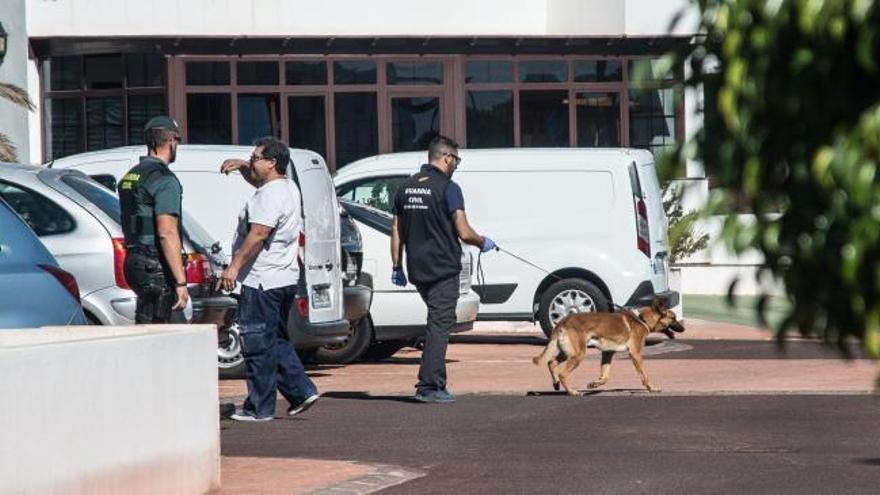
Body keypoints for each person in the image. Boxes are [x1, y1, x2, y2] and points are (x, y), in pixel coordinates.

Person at [218, 137, 319, 422]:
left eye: (255, 158)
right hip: (283, 277)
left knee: (257, 342)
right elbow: (260, 183)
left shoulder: (270, 195)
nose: (252, 162)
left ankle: (259, 407)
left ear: (272, 163)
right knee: (275, 339)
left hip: (263, 279)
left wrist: (234, 266)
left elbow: (259, 233)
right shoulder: (286, 187)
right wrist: (242, 167)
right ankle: (301, 391)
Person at [390, 135, 496, 403]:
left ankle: (433, 383)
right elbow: (463, 230)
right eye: (456, 159)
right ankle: (429, 387)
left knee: (436, 321)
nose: (457, 164)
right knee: (439, 326)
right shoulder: (449, 188)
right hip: (443, 269)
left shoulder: (406, 187)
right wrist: (483, 241)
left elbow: (396, 230)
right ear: (446, 157)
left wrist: (396, 265)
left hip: (417, 270)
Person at [118, 116, 188, 324]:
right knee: (171, 335)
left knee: (147, 328)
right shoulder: (164, 180)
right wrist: (181, 282)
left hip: (134, 261)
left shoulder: (131, 176)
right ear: (172, 141)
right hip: (155, 265)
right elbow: (167, 232)